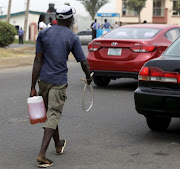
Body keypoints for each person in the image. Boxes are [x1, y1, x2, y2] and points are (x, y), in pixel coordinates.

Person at [30, 5, 92, 168]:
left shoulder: (44, 33)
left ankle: (58, 144)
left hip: (43, 81)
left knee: (51, 112)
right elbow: (83, 61)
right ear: (70, 19)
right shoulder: (72, 37)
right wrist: (88, 77)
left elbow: (37, 60)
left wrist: (32, 86)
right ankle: (42, 155)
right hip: (58, 82)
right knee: (54, 113)